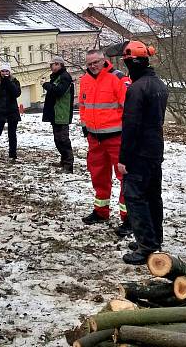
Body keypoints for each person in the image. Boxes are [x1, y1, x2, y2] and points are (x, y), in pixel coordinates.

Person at [117, 40, 169, 265]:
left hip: (139, 152)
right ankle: (153, 239)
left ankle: (146, 246)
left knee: (135, 197)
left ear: (132, 62)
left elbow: (131, 125)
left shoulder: (137, 89)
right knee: (152, 195)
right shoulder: (159, 84)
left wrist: (123, 158)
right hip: (154, 148)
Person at [79, 49, 130, 236]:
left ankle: (129, 218)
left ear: (104, 60)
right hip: (95, 138)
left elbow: (129, 108)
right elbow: (83, 106)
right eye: (89, 63)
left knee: (125, 177)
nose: (93, 66)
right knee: (98, 175)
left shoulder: (117, 78)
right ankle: (101, 211)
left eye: (96, 62)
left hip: (117, 137)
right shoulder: (84, 80)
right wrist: (85, 126)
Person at [42, 55, 74, 173]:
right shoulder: (57, 76)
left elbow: (58, 91)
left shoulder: (65, 77)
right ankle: (63, 160)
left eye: (55, 64)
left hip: (62, 112)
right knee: (57, 139)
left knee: (63, 139)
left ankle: (68, 165)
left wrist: (46, 85)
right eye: (51, 65)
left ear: (61, 65)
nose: (53, 67)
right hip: (56, 112)